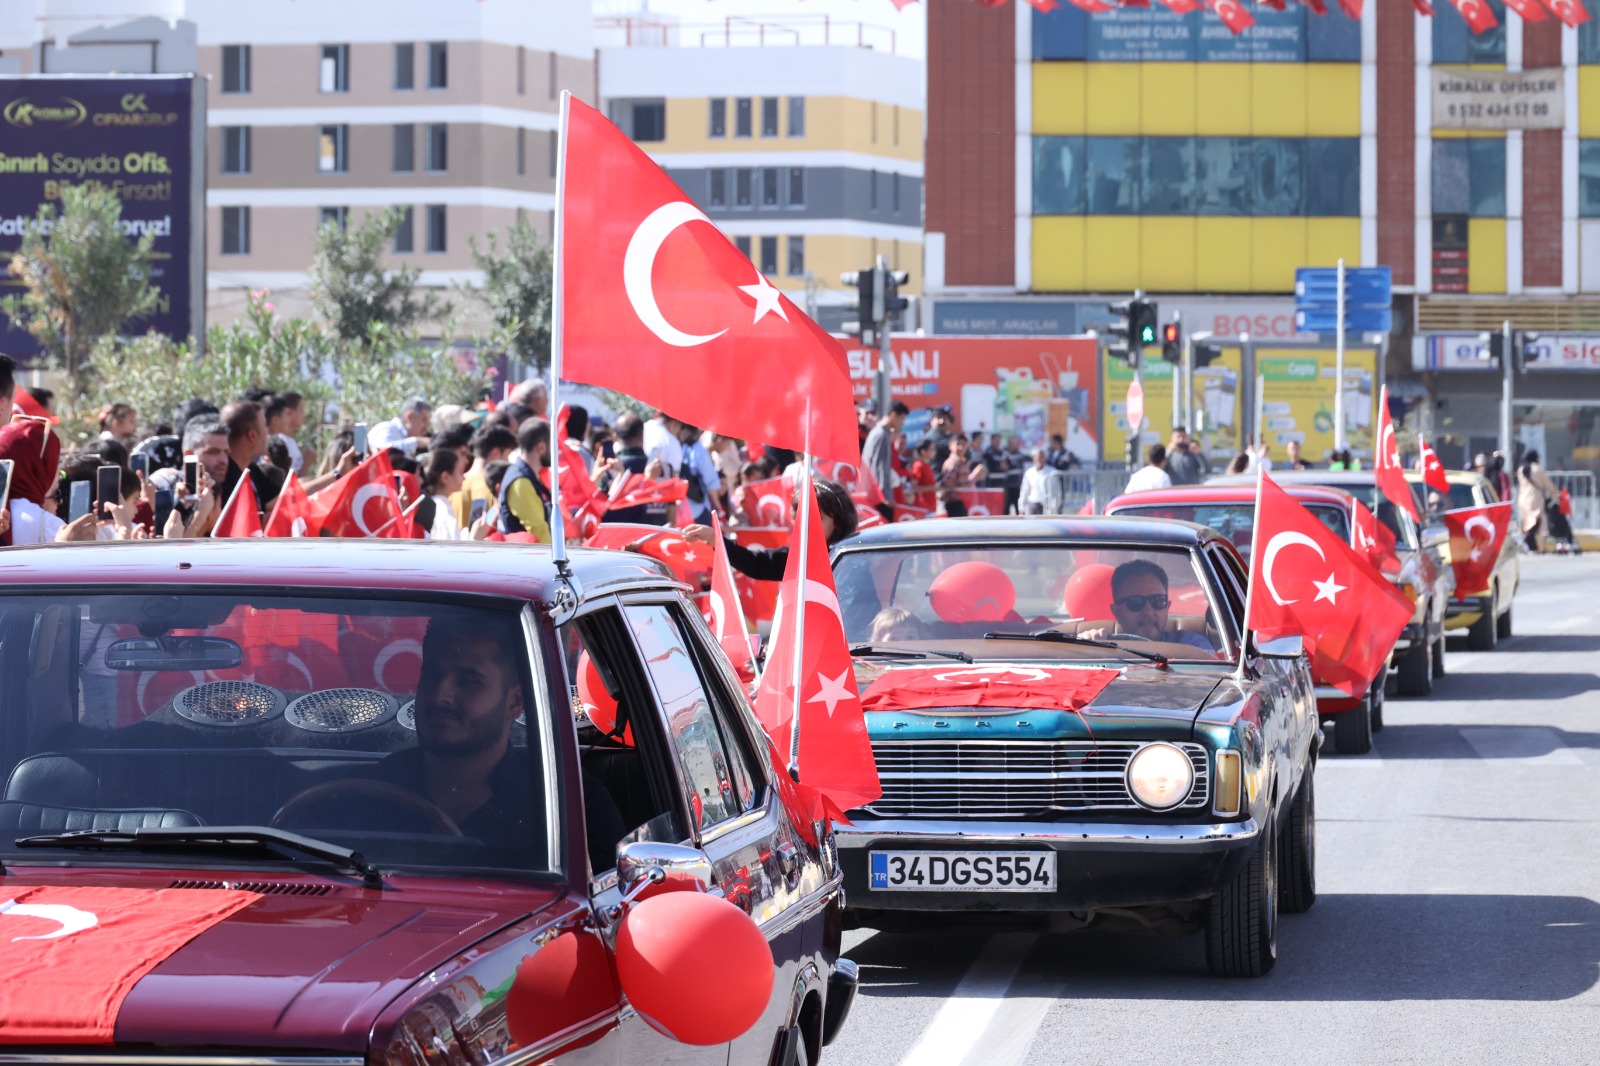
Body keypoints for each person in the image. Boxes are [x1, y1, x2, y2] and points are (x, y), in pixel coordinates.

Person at [682, 478, 858, 581]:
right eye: (802, 519)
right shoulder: (798, 558)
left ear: (839, 522)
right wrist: (715, 539)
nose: (807, 526)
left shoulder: (854, 559)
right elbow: (757, 563)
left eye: (818, 519)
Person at [1081, 560, 1214, 652]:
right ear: (1116, 611)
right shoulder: (1100, 646)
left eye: (1158, 601)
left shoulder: (1193, 646)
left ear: (1167, 607)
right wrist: (1085, 646)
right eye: (1135, 602)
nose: (1149, 612)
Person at [604, 413, 669, 526]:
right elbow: (672, 511)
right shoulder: (663, 468)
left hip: (619, 537)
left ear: (615, 437)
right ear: (641, 436)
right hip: (658, 536)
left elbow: (602, 511)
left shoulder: (608, 469)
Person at [216, 401, 277, 516]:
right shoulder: (222, 477)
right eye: (265, 426)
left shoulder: (251, 470)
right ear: (252, 435)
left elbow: (285, 500)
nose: (267, 432)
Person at [497, 417, 552, 542]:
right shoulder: (520, 482)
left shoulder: (528, 475)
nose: (557, 451)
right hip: (531, 558)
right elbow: (538, 531)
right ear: (541, 447)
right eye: (553, 446)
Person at [453, 424, 516, 528]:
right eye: (507, 456)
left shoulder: (451, 485)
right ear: (495, 453)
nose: (509, 462)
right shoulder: (494, 487)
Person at [676, 420, 724, 525]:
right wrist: (717, 507)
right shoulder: (698, 449)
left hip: (677, 512)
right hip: (698, 510)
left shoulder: (676, 447)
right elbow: (711, 483)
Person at [861, 400, 907, 508]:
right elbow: (879, 468)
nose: (902, 423)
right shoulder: (881, 435)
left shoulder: (878, 432)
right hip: (878, 498)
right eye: (902, 419)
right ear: (893, 415)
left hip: (872, 494)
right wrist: (886, 496)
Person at [1517, 449, 1560, 553]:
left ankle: (1533, 546)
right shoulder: (1538, 470)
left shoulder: (1521, 469)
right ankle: (1528, 540)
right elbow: (1548, 485)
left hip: (1522, 499)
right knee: (1536, 522)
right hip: (1534, 499)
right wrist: (1556, 494)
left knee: (1528, 522)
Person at [420, 447, 466, 540]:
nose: (464, 478)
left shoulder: (433, 504)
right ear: (445, 477)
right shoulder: (443, 510)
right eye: (460, 472)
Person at [264, 392, 306, 473]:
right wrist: (307, 462)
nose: (304, 414)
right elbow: (288, 481)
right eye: (301, 409)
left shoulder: (289, 441)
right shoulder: (280, 443)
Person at [1018, 448, 1054, 515]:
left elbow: (1056, 491)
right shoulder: (1029, 473)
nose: (1039, 460)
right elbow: (1025, 490)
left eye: (1041, 457)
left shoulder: (1052, 472)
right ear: (1033, 458)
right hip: (1033, 505)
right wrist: (1021, 507)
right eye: (1037, 457)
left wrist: (1054, 507)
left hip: (1047, 506)